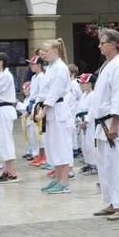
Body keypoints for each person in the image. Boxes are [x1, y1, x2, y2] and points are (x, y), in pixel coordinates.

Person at [92, 28, 119, 221]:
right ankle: (112, 202)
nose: (99, 46)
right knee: (106, 165)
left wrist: (116, 122)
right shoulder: (108, 65)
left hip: (112, 121)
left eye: (102, 43)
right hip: (102, 121)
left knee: (118, 164)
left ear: (113, 44)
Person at [37, 39, 74, 194]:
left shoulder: (60, 68)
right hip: (50, 111)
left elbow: (55, 92)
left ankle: (64, 181)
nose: (43, 54)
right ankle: (57, 178)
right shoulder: (51, 67)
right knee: (53, 146)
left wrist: (44, 110)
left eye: (46, 51)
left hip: (57, 110)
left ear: (55, 51)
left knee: (61, 146)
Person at [0, 52, 19, 183]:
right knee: (1, 141)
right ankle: (6, 170)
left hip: (4, 108)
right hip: (1, 109)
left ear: (1, 62)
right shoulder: (1, 75)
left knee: (6, 140)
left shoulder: (6, 76)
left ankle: (11, 171)